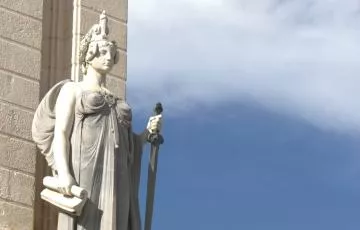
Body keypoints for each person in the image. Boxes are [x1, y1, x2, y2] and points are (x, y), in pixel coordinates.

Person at [32, 11, 162, 230]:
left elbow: (128, 145)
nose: (108, 56)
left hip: (117, 170)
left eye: (111, 52)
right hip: (86, 166)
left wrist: (145, 136)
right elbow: (61, 134)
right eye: (102, 52)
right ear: (89, 56)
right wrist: (64, 173)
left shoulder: (116, 100)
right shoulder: (73, 89)